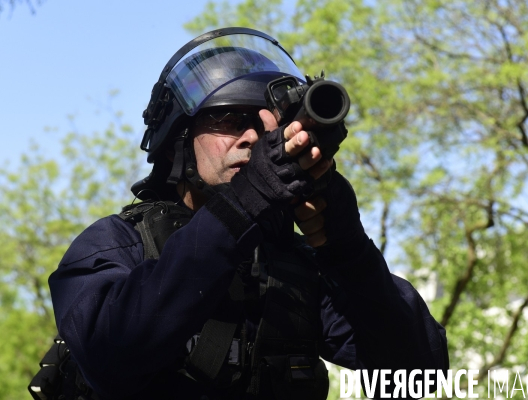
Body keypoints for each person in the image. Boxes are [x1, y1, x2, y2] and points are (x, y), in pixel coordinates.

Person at [41, 27, 448, 400]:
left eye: (261, 123)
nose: (251, 136)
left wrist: (347, 248)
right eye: (227, 119)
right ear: (177, 142)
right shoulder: (118, 244)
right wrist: (242, 203)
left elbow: (421, 373)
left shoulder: (292, 267)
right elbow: (108, 353)